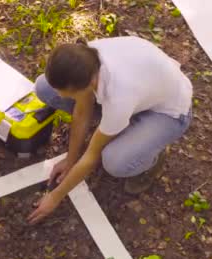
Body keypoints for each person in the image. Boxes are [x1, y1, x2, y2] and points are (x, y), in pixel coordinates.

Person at [28, 36, 193, 224]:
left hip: (167, 112)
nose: (60, 95)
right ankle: (123, 129)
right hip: (141, 92)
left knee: (116, 161)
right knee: (44, 87)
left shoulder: (119, 98)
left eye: (65, 92)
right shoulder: (85, 59)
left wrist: (55, 197)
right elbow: (82, 110)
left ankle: (151, 159)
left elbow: (92, 156)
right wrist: (70, 159)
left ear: (85, 85)